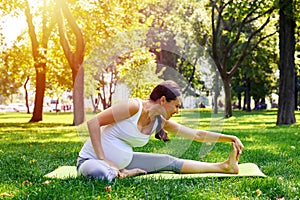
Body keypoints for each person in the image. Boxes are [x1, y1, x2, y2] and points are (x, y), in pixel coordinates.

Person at [77, 80, 244, 181]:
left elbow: (197, 135)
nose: (178, 111)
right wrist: (103, 159)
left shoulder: (159, 121)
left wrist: (230, 138)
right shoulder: (133, 107)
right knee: (99, 174)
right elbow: (93, 123)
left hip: (124, 163)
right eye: (176, 105)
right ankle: (122, 173)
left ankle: (224, 167)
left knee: (168, 160)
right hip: (91, 161)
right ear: (163, 100)